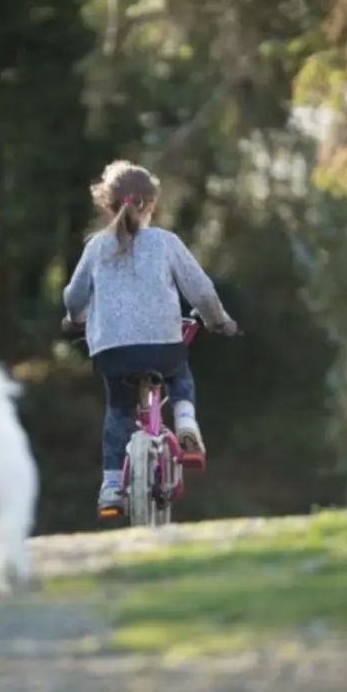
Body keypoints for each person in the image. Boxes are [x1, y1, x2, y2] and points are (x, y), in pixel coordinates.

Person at [62, 159, 238, 517]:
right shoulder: (165, 243)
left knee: (119, 409)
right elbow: (202, 291)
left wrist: (74, 319)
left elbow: (74, 295)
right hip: (162, 346)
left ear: (107, 205)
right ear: (152, 204)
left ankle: (112, 486)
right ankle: (186, 422)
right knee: (180, 376)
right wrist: (218, 321)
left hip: (112, 351)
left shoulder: (96, 247)